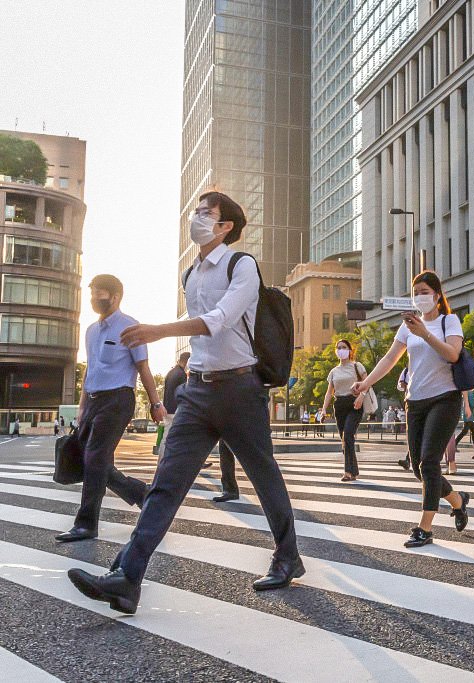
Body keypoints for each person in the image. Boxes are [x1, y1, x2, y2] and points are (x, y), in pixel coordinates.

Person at [67, 191, 303, 614]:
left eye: (205, 213)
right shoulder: (190, 273)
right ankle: (128, 578)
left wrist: (158, 330)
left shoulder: (241, 265)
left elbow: (219, 321)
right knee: (166, 483)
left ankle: (288, 556)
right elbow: (201, 333)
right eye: (196, 211)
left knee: (264, 476)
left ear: (225, 225)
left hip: (240, 390)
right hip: (197, 390)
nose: (196, 218)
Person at [351, 270, 470, 548]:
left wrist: (425, 333)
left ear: (437, 296)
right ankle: (458, 500)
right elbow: (391, 358)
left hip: (445, 399)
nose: (420, 297)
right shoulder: (408, 325)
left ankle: (425, 528)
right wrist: (366, 383)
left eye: (425, 292)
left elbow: (452, 354)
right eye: (416, 293)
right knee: (419, 469)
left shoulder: (448, 321)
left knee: (429, 462)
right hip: (415, 401)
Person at [54, 274, 163, 544]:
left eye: (99, 294)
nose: (94, 299)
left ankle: (86, 524)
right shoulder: (91, 331)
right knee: (94, 461)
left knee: (95, 457)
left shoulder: (130, 327)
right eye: (91, 294)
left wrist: (155, 403)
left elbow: (143, 368)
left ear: (115, 297)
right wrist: (82, 407)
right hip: (92, 401)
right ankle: (144, 496)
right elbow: (91, 369)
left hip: (117, 400)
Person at [322, 338, 368, 482]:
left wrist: (362, 396)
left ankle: (348, 472)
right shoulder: (334, 371)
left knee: (348, 435)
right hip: (339, 405)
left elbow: (367, 383)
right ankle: (353, 470)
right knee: (345, 439)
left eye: (343, 347)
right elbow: (329, 392)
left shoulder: (357, 366)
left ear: (350, 350)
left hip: (354, 404)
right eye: (338, 347)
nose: (340, 350)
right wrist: (323, 410)